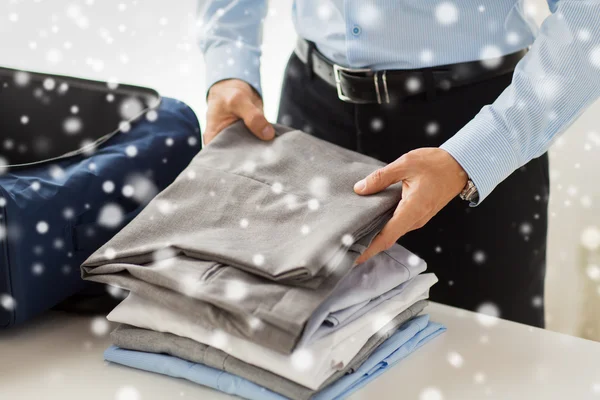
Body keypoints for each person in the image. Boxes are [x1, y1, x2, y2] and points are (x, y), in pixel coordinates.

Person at [197, 0, 600, 328]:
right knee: (300, 344)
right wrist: (229, 65)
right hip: (311, 116)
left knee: (485, 363)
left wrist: (472, 156)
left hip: (474, 132)